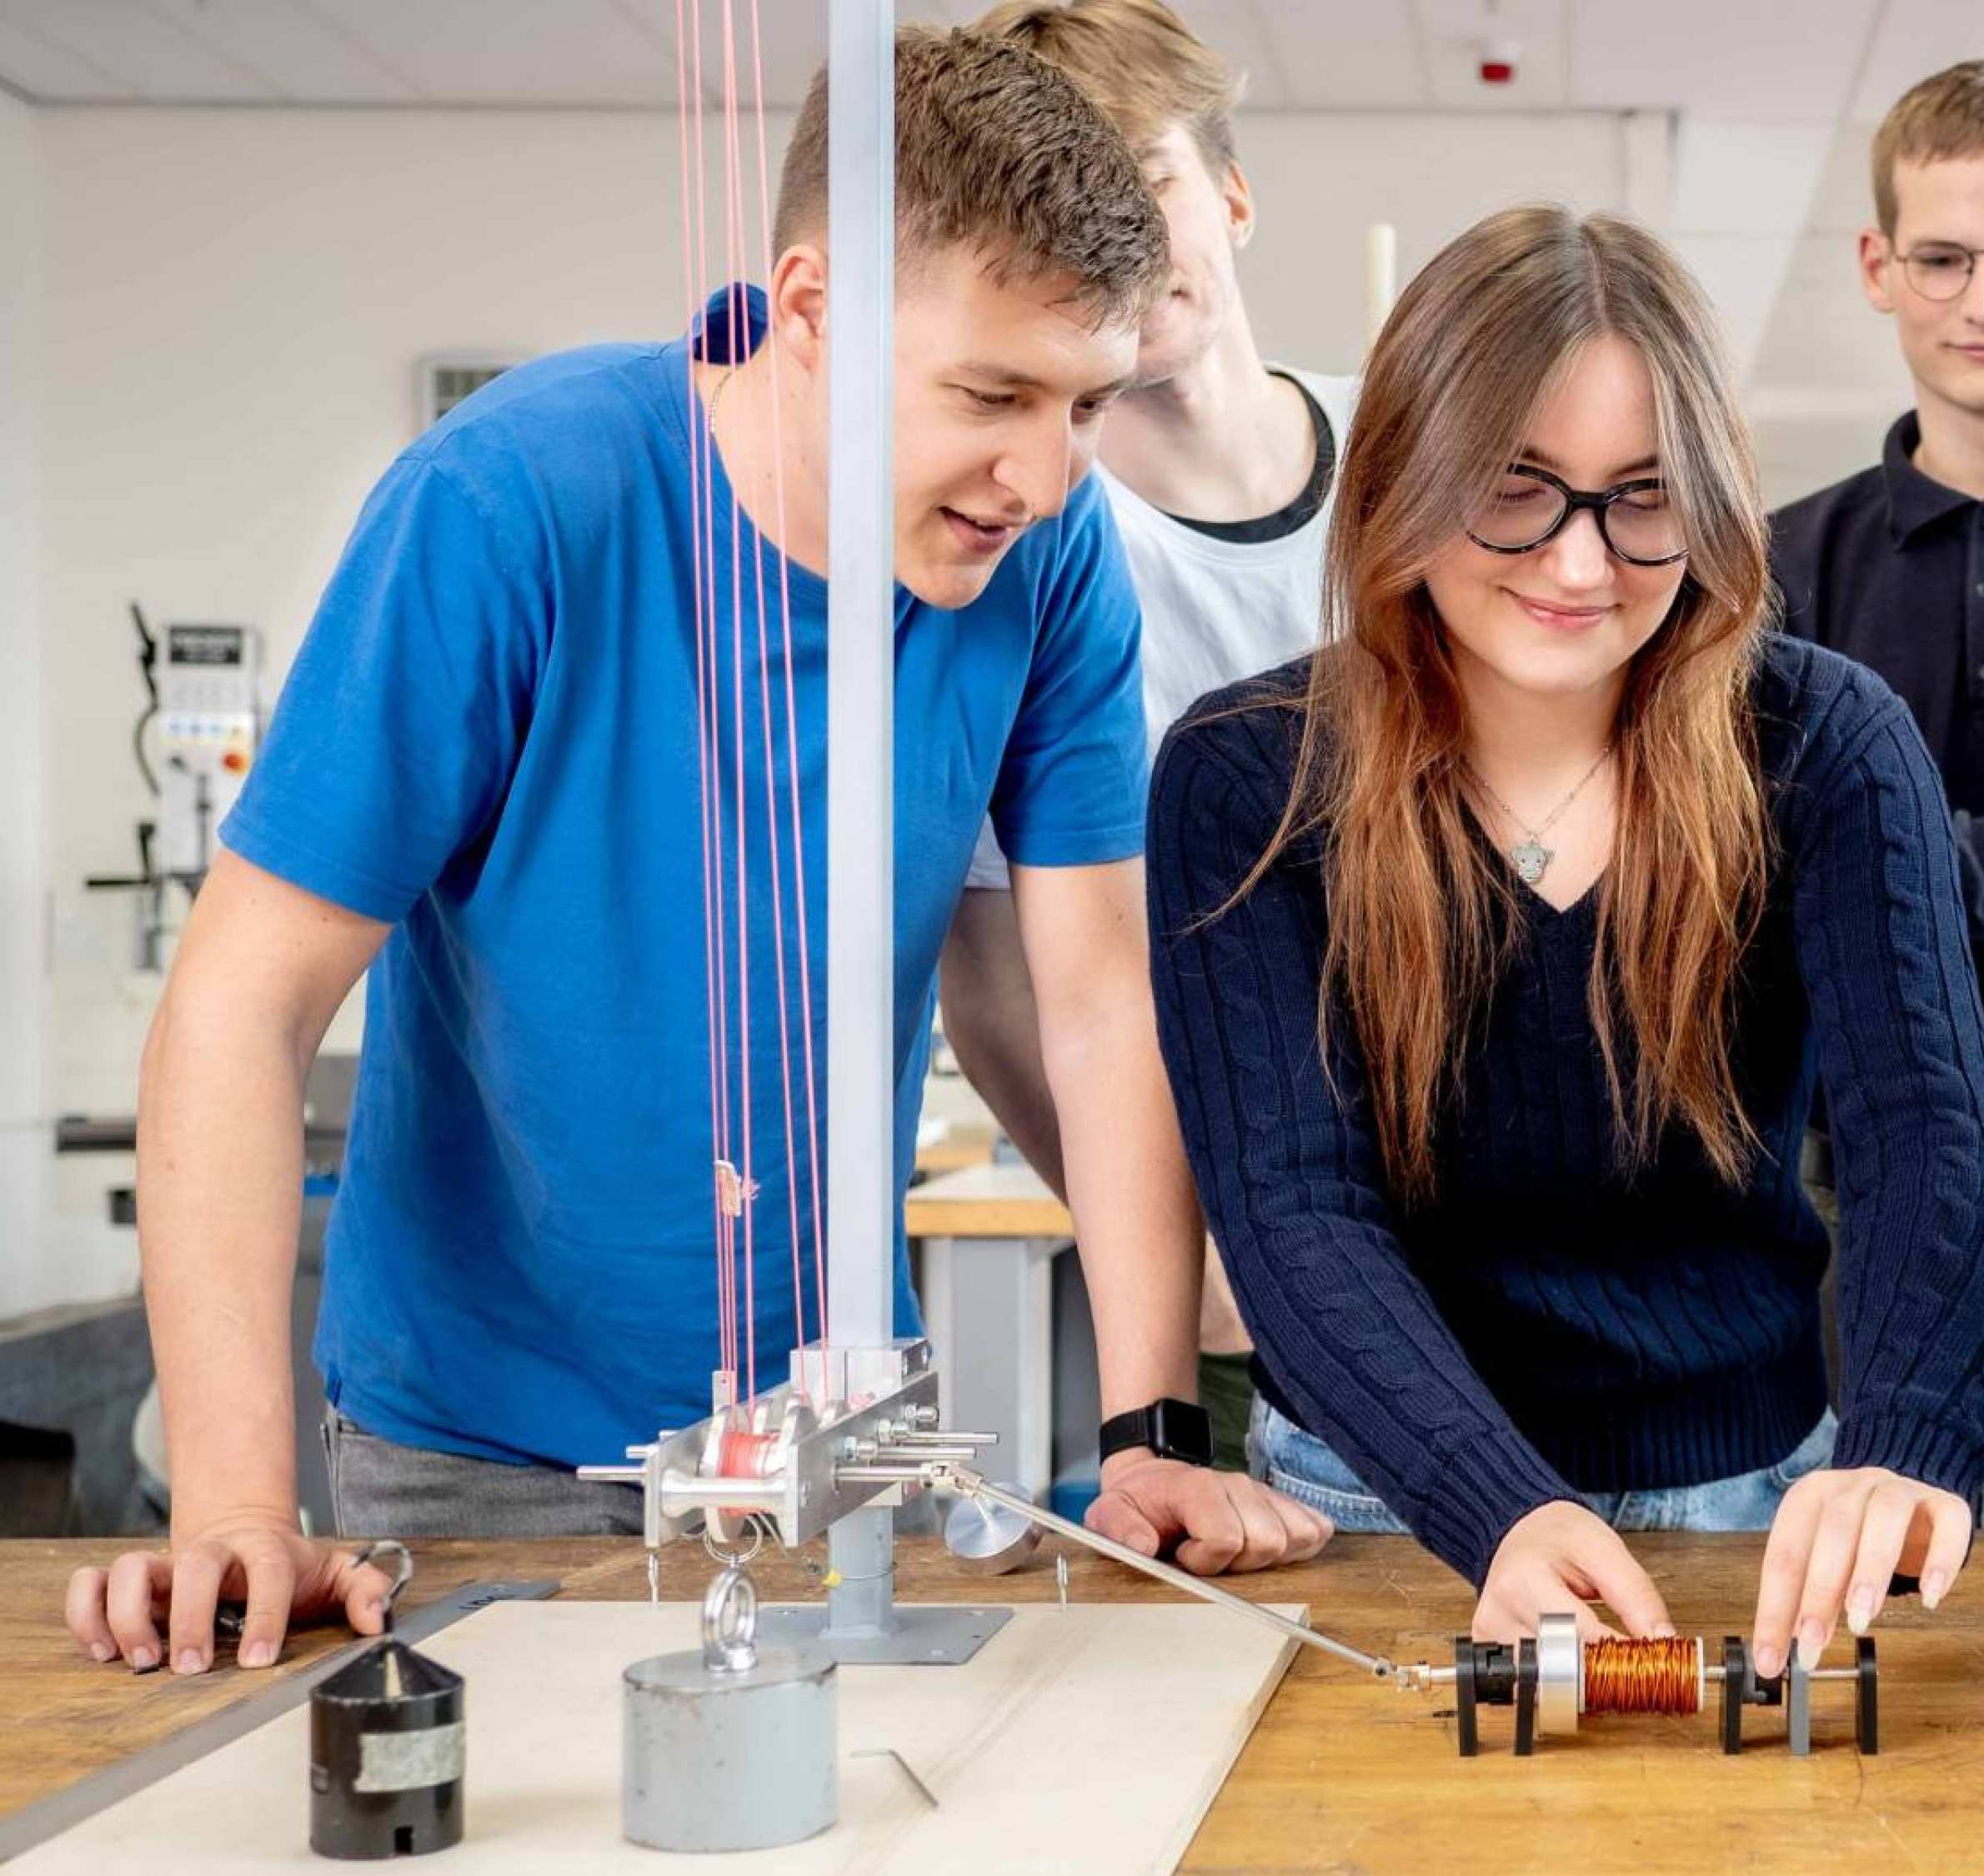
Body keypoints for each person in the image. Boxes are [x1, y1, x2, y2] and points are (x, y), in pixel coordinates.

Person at [63, 27, 1300, 1683]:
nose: (1045, 470)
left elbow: (1092, 1007)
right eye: (991, 396)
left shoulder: (1047, 556)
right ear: (809, 314)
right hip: (479, 1458)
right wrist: (232, 1502)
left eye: (1079, 401)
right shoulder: (507, 506)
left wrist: (1152, 1420)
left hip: (835, 1442)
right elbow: (238, 1005)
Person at [1145, 205, 1984, 1674]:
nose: (1580, 561)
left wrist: (1904, 1440)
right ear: (1409, 480)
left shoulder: (1825, 742)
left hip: (1753, 1504)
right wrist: (1493, 1506)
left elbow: (1927, 1129)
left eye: (1642, 498)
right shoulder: (1248, 775)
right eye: (1518, 491)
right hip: (1385, 1510)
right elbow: (1293, 1206)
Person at [941, 0, 1360, 1510]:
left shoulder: (1415, 470)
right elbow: (1003, 977)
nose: (1126, 239)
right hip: (1247, 1288)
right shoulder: (1023, 550)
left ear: (1234, 194)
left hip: (1497, 1252)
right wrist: (1198, 1266)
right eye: (1077, 207)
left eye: (1156, 183)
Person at [1770, 58, 1984, 1086]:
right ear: (1878, 267)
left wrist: (1916, 873)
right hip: (1861, 1142)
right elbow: (1762, 861)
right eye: (1943, 260)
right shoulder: (1777, 563)